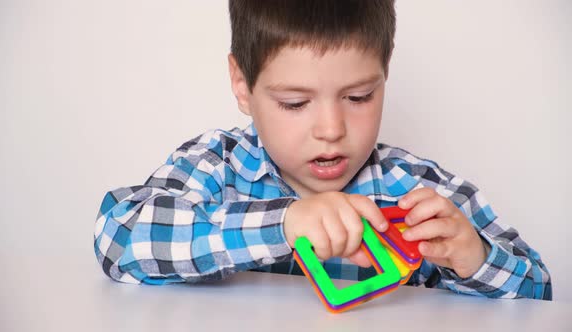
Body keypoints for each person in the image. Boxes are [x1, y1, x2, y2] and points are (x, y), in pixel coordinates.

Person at [93, 0, 552, 300]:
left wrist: (474, 259)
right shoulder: (217, 164)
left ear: (384, 73)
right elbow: (119, 237)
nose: (331, 129)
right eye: (295, 103)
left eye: (359, 97)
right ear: (242, 85)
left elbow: (539, 292)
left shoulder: (417, 188)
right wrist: (285, 222)